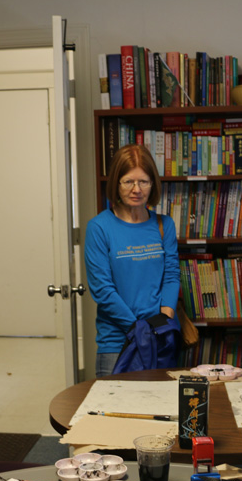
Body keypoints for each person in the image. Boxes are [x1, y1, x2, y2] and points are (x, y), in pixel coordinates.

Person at [85, 144, 180, 377]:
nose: (136, 189)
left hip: (160, 339)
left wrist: (162, 322)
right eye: (128, 181)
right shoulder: (99, 227)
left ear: (152, 184)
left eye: (143, 182)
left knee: (162, 400)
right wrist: (138, 329)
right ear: (116, 184)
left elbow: (171, 275)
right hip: (117, 344)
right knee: (116, 402)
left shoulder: (164, 225)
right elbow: (102, 290)